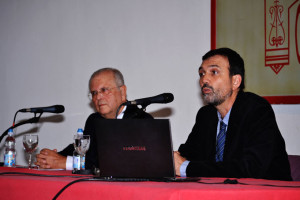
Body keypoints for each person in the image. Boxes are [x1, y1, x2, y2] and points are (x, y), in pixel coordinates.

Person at [174, 48, 292, 181]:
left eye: (214, 72)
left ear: (235, 81)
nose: (204, 79)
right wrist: (168, 159)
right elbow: (188, 154)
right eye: (201, 73)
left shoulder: (257, 110)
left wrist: (187, 168)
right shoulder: (206, 115)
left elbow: (250, 168)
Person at [35, 68, 153, 170]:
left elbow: (121, 162)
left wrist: (65, 162)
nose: (98, 97)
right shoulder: (94, 119)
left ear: (122, 92)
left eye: (104, 90)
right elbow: (83, 148)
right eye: (94, 93)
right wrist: (50, 158)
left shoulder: (141, 120)